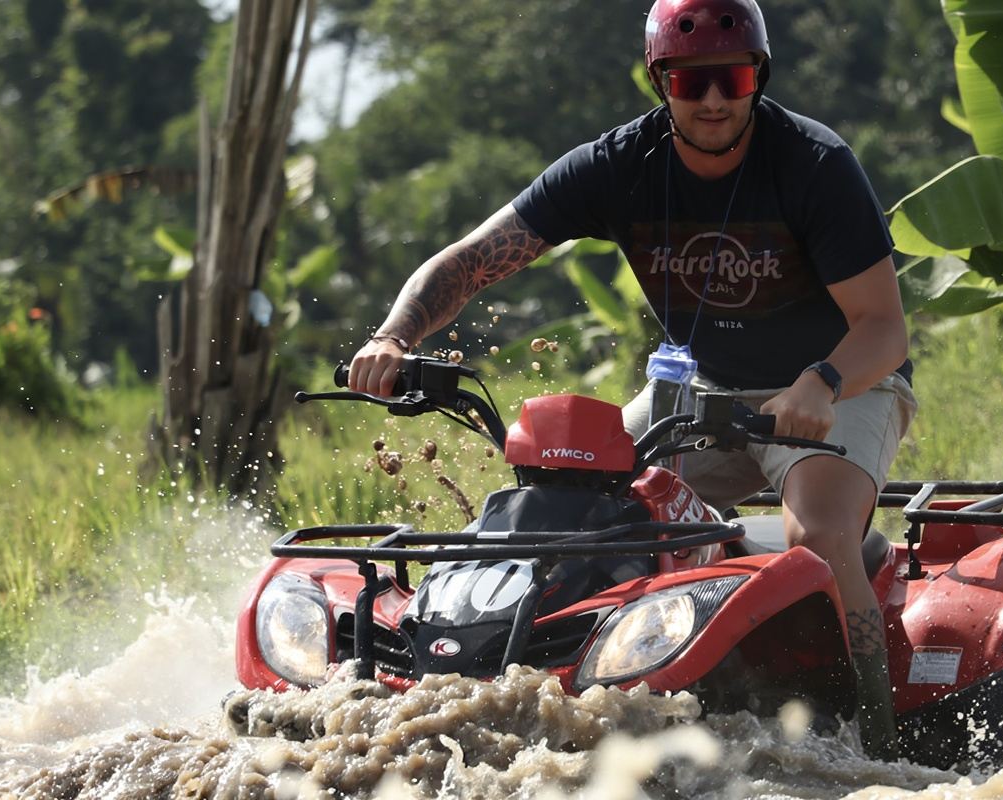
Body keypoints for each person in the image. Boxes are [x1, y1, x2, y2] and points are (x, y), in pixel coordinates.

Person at [347, 0, 915, 760]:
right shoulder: (618, 165)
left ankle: (875, 733)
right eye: (690, 82)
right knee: (574, 501)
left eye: (732, 77)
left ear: (758, 77)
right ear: (660, 82)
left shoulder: (812, 163)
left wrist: (819, 383)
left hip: (835, 387)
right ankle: (568, 716)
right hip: (700, 392)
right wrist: (394, 335)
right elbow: (472, 258)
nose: (713, 99)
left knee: (817, 535)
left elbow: (883, 328)